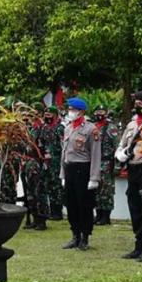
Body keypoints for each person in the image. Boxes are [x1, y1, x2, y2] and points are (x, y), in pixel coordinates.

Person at [116, 91, 142, 261]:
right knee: (135, 208)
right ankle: (138, 245)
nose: (137, 107)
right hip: (133, 169)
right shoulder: (132, 124)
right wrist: (120, 154)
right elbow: (122, 144)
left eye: (141, 104)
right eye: (136, 104)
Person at [60, 97, 102, 250]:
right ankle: (75, 235)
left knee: (84, 205)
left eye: (73, 109)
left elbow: (96, 154)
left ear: (81, 112)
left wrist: (94, 178)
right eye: (69, 109)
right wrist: (62, 174)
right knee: (71, 205)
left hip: (83, 169)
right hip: (70, 168)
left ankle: (85, 237)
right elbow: (64, 153)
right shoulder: (68, 128)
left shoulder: (91, 129)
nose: (70, 112)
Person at [91, 102, 119, 226]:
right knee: (95, 189)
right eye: (97, 112)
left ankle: (106, 217)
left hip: (107, 162)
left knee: (106, 190)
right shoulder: (92, 127)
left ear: (106, 114)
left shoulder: (111, 128)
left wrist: (117, 165)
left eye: (102, 113)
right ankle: (98, 214)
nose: (99, 115)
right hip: (94, 162)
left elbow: (117, 146)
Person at [22, 102, 48, 230]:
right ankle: (34, 218)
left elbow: (45, 147)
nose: (28, 115)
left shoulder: (42, 128)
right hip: (28, 162)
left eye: (31, 112)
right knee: (30, 193)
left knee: (39, 192)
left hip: (37, 162)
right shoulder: (30, 127)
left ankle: (41, 220)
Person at [41, 104, 65, 220]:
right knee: (48, 185)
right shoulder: (44, 128)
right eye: (45, 115)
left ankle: (57, 211)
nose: (47, 117)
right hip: (46, 161)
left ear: (55, 116)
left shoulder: (60, 128)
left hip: (56, 160)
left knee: (56, 186)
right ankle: (51, 210)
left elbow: (63, 145)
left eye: (49, 115)